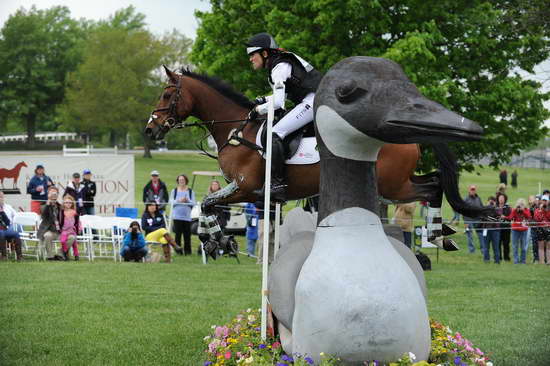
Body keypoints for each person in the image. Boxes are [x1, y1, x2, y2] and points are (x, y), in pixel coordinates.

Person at [246, 32, 323, 202]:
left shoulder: (279, 67)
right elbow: (284, 95)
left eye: (253, 55)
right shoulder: (279, 63)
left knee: (275, 133)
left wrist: (258, 110)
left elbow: (279, 103)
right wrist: (262, 100)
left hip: (313, 101)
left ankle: (277, 185)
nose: (250, 59)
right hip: (311, 99)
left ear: (265, 53)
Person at [170, 174, 195, 255]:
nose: (181, 181)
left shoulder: (190, 191)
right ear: (178, 181)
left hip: (187, 217)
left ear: (186, 181)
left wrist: (187, 200)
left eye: (183, 180)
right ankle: (178, 251)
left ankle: (188, 252)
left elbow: (193, 203)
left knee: (187, 235)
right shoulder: (174, 191)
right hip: (177, 216)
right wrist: (179, 200)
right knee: (178, 235)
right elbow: (171, 202)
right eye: (180, 180)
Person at [37, 186, 64, 261]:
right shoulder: (43, 205)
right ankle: (50, 256)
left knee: (71, 237)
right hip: (49, 231)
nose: (53, 194)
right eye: (51, 192)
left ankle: (59, 254)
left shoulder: (60, 206)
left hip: (59, 231)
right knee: (47, 236)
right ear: (48, 194)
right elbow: (44, 214)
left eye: (55, 193)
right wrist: (48, 203)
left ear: (57, 195)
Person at [503, 198, 531, 264]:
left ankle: (523, 261)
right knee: (515, 246)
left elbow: (528, 216)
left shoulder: (526, 210)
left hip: (524, 230)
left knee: (523, 247)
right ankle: (516, 261)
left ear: (524, 205)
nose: (520, 206)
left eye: (521, 205)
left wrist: (522, 211)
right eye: (519, 204)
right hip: (515, 230)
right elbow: (510, 218)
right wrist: (505, 217)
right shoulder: (514, 210)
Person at [0, 191, 22, 261]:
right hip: (1, 229)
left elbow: (16, 216)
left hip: (7, 227)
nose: (0, 198)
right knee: (1, 233)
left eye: (1, 197)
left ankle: (19, 256)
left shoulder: (8, 207)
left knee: (16, 233)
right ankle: (4, 256)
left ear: (3, 198)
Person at [59, 195, 81, 261]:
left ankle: (76, 255)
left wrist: (79, 229)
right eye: (66, 202)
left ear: (72, 203)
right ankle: (65, 251)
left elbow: (78, 222)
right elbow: (59, 222)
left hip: (72, 231)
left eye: (70, 203)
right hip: (64, 231)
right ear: (63, 203)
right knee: (62, 241)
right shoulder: (61, 212)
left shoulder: (74, 212)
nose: (68, 204)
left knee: (74, 242)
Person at [463, 185, 484, 254]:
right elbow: (462, 210)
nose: (473, 191)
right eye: (471, 189)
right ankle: (471, 250)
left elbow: (482, 208)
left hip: (478, 219)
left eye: (474, 189)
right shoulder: (466, 199)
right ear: (469, 190)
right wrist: (465, 221)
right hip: (468, 220)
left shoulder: (478, 198)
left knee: (481, 235)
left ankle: (483, 250)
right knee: (470, 235)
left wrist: (482, 218)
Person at [482, 197, 500, 264]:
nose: (491, 203)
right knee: (486, 246)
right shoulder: (484, 209)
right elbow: (481, 217)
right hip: (486, 229)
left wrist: (493, 208)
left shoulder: (497, 209)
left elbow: (498, 216)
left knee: (496, 247)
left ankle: (497, 261)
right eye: (490, 202)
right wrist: (487, 207)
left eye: (492, 202)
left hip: (495, 230)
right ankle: (486, 260)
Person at [533, 199, 549, 264]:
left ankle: (548, 261)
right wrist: (540, 210)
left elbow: (548, 217)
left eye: (545, 201)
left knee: (549, 245)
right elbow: (537, 218)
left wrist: (545, 211)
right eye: (543, 201)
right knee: (541, 245)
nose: (544, 203)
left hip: (548, 228)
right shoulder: (537, 210)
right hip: (540, 229)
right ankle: (541, 261)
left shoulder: (548, 210)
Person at [496, 193, 511, 261]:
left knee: (506, 243)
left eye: (502, 198)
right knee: (498, 243)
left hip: (506, 228)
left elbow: (511, 217)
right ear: (498, 199)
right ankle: (499, 257)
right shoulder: (495, 207)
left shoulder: (508, 208)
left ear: (505, 199)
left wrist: (505, 217)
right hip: (497, 228)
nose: (501, 199)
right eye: (500, 198)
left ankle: (506, 257)